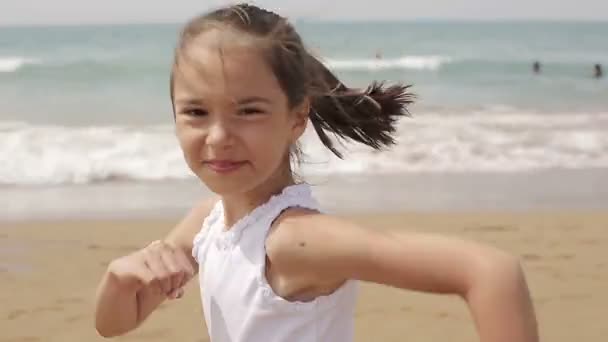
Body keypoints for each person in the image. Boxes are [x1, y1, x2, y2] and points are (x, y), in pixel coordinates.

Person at [94, 3, 539, 342]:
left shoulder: (292, 241)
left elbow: (491, 272)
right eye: (196, 111)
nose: (217, 136)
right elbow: (115, 323)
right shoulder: (208, 221)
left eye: (248, 111)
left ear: (295, 119)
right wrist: (121, 278)